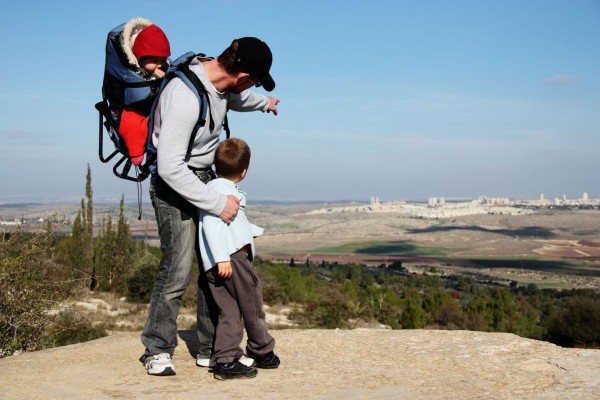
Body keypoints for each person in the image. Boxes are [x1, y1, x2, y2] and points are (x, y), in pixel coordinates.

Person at [140, 37, 279, 376]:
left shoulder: (220, 83)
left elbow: (238, 97)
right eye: (256, 80)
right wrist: (218, 204)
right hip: (174, 185)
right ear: (242, 73)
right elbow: (170, 167)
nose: (253, 86)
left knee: (212, 270)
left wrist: (265, 103)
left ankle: (210, 348)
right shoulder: (184, 96)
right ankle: (157, 349)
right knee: (177, 267)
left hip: (202, 177)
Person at [199, 138, 279, 380]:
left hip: (221, 262)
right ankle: (262, 351)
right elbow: (212, 226)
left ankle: (225, 360)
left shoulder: (212, 189)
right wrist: (223, 258)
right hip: (232, 261)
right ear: (244, 171)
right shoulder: (223, 192)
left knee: (230, 312)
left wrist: (251, 231)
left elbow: (229, 224)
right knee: (252, 306)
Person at [116, 18, 171, 166]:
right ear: (140, 58)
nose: (159, 64)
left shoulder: (163, 69)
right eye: (154, 60)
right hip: (133, 108)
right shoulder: (131, 71)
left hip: (152, 107)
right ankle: (136, 153)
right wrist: (154, 80)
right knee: (131, 122)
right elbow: (134, 93)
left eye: (163, 60)